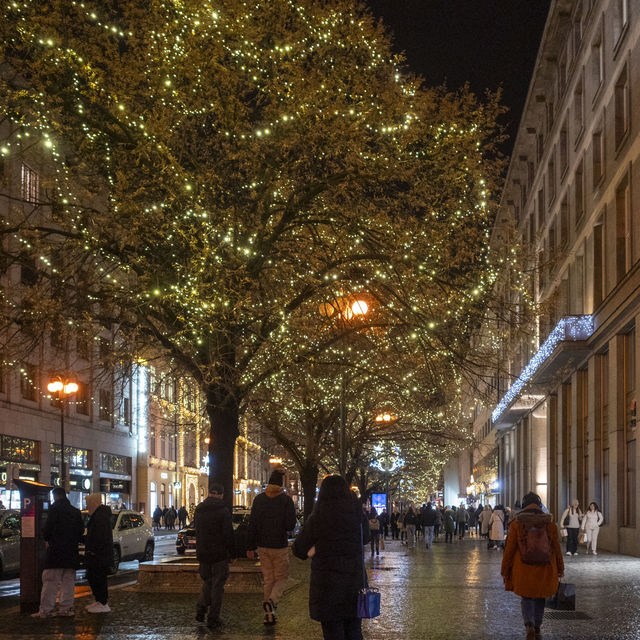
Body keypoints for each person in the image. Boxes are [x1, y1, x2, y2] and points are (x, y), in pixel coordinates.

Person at [292, 475, 370, 640]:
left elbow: (299, 549)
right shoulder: (356, 513)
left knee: (333, 633)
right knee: (354, 631)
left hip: (327, 586)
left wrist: (313, 550)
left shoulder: (319, 516)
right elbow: (367, 538)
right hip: (354, 581)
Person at [501, 492, 564, 640]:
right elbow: (556, 548)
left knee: (527, 597)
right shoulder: (550, 524)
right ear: (540, 505)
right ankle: (537, 626)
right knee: (541, 596)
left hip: (523, 568)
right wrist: (560, 568)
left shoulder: (517, 524)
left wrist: (505, 570)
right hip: (546, 568)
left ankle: (528, 624)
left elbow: (509, 550)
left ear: (524, 506)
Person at [247, 466, 297, 625]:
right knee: (282, 577)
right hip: (279, 545)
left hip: (262, 545)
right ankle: (272, 602)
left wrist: (250, 546)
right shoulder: (286, 500)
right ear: (281, 484)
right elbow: (290, 526)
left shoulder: (259, 500)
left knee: (268, 579)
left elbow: (252, 524)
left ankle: (269, 615)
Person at [31, 486, 84, 618]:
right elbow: (80, 531)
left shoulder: (54, 509)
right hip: (71, 552)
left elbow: (47, 529)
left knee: (50, 581)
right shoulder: (75, 511)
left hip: (56, 552)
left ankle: (45, 611)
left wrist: (48, 539)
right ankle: (66, 609)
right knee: (68, 583)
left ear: (55, 496)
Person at [194, 484, 234, 629]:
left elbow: (197, 531)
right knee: (217, 586)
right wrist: (232, 552)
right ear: (221, 494)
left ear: (209, 494)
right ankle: (213, 617)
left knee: (208, 582)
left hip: (203, 552)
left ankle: (201, 609)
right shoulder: (223, 511)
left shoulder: (199, 510)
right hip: (219, 554)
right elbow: (227, 534)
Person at [84, 493, 113, 613]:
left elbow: (99, 536)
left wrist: (93, 549)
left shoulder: (99, 517)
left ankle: (102, 602)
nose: (87, 506)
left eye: (88, 503)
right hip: (98, 554)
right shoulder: (99, 515)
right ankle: (100, 601)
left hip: (98, 555)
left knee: (98, 578)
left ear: (94, 503)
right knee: (95, 577)